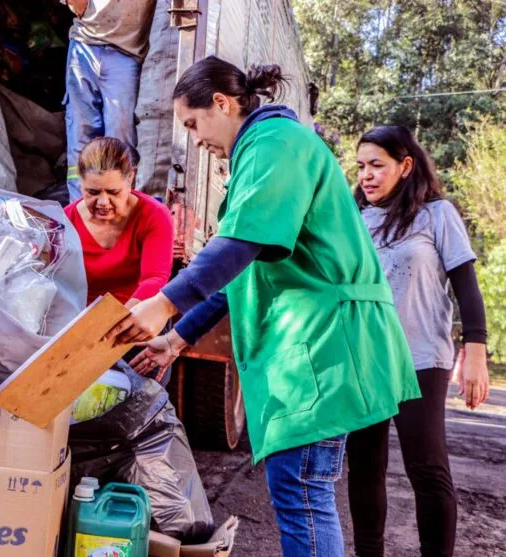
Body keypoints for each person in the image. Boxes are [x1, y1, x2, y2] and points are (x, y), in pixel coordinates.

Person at [108, 56, 421, 557]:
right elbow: (240, 270)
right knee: (301, 489)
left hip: (324, 344)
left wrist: (162, 306)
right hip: (317, 341)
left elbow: (235, 248)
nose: (194, 138)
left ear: (222, 103)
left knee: (302, 490)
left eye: (193, 123)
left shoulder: (275, 144)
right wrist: (178, 338)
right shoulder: (263, 151)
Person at [346, 125, 490, 557]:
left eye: (377, 165)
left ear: (405, 166)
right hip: (364, 359)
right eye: (361, 167)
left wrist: (477, 350)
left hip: (421, 358)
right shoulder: (353, 219)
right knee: (365, 469)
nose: (367, 175)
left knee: (427, 468)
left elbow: (466, 285)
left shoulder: (437, 215)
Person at [64, 136, 173, 383]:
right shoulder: (66, 221)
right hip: (84, 332)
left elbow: (155, 278)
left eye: (113, 192)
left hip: (138, 328)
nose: (103, 202)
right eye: (92, 192)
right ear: (80, 184)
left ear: (130, 178)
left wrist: (115, 325)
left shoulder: (153, 216)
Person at [61, 0, 158, 201]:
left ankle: (119, 209)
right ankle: (79, 210)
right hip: (84, 42)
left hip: (127, 51)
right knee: (81, 133)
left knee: (120, 136)